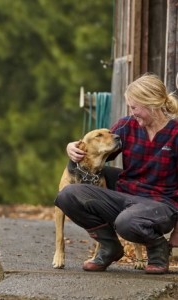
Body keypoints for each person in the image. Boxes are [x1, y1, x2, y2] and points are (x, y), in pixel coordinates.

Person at [55, 73, 178, 274]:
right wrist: (72, 148)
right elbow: (96, 148)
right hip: (126, 195)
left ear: (151, 104)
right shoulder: (126, 126)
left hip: (162, 205)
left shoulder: (175, 133)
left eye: (134, 107)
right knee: (68, 195)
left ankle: (158, 248)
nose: (132, 112)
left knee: (127, 222)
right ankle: (109, 246)